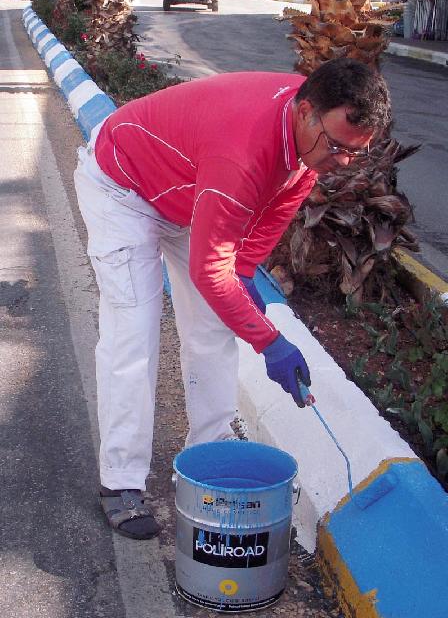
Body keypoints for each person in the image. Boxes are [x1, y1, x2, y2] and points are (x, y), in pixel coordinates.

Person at [74, 59, 392, 540]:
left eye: (356, 153)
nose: (343, 162)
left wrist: (243, 274)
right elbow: (208, 269)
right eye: (337, 147)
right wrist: (270, 343)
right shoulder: (242, 152)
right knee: (133, 334)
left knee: (213, 328)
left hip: (189, 192)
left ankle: (209, 454)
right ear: (305, 111)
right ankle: (120, 480)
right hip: (124, 187)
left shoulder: (309, 136)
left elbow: (274, 209)